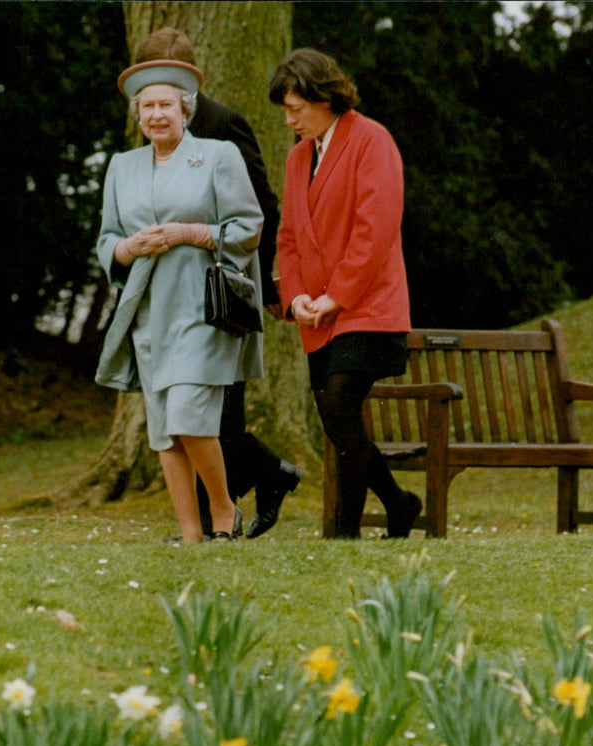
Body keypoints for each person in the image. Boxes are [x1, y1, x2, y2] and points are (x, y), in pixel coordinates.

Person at [133, 28, 302, 541]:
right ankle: (263, 480)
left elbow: (261, 206)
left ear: (189, 74)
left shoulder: (224, 124)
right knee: (192, 410)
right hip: (167, 295)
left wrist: (270, 287)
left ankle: (218, 518)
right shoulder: (150, 124)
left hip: (221, 287)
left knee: (217, 408)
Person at [95, 59, 263, 543]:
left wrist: (192, 233)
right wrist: (129, 248)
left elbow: (248, 228)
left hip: (202, 306)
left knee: (190, 414)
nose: (157, 114)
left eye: (166, 104)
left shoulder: (217, 155)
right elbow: (108, 239)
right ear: (138, 114)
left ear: (185, 108)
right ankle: (191, 533)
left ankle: (224, 509)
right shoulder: (121, 167)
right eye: (147, 106)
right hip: (148, 312)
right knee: (165, 429)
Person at [269, 48, 422, 540]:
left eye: (296, 107)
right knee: (338, 421)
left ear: (325, 97)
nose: (289, 118)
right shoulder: (298, 157)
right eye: (285, 109)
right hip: (317, 314)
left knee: (338, 405)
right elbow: (289, 237)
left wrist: (336, 296)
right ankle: (398, 505)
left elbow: (374, 230)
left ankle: (343, 534)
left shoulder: (372, 139)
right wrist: (295, 300)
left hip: (369, 306)